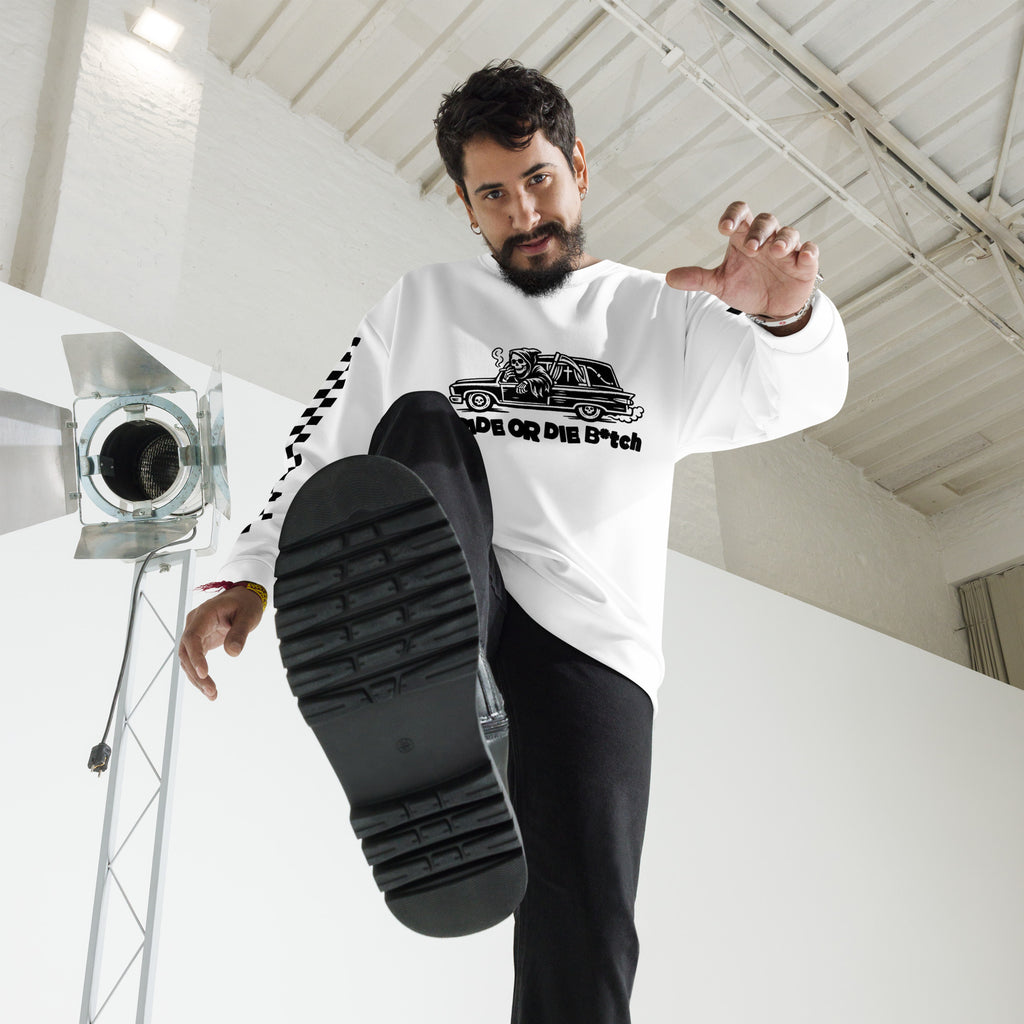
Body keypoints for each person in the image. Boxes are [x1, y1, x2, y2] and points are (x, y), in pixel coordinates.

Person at [179, 59, 848, 1024]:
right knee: (417, 424)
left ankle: (469, 715)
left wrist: (785, 314)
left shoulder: (663, 312)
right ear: (465, 206)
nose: (523, 212)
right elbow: (322, 446)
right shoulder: (421, 304)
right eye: (492, 194)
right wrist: (246, 577)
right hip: (455, 587)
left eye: (539, 179)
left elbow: (800, 394)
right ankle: (436, 689)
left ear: (579, 168)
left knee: (588, 928)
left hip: (594, 639)